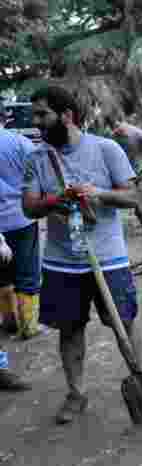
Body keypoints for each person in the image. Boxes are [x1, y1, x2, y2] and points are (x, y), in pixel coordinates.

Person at [21, 85, 142, 424]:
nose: (36, 122)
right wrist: (55, 201)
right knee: (70, 330)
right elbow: (29, 207)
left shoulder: (106, 149)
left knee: (124, 322)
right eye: (35, 115)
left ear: (67, 115)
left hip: (109, 258)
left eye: (43, 114)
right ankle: (76, 394)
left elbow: (134, 197)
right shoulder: (37, 158)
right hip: (61, 262)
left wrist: (98, 194)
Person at [0, 126, 43, 341]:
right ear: (5, 116)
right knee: (27, 274)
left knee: (1, 276)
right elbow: (40, 172)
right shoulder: (20, 143)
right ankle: (29, 326)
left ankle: (9, 323)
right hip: (22, 218)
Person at [111, 115, 142, 243]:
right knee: (139, 209)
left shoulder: (138, 133)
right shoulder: (113, 137)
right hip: (132, 175)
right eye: (115, 127)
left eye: (119, 125)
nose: (118, 129)